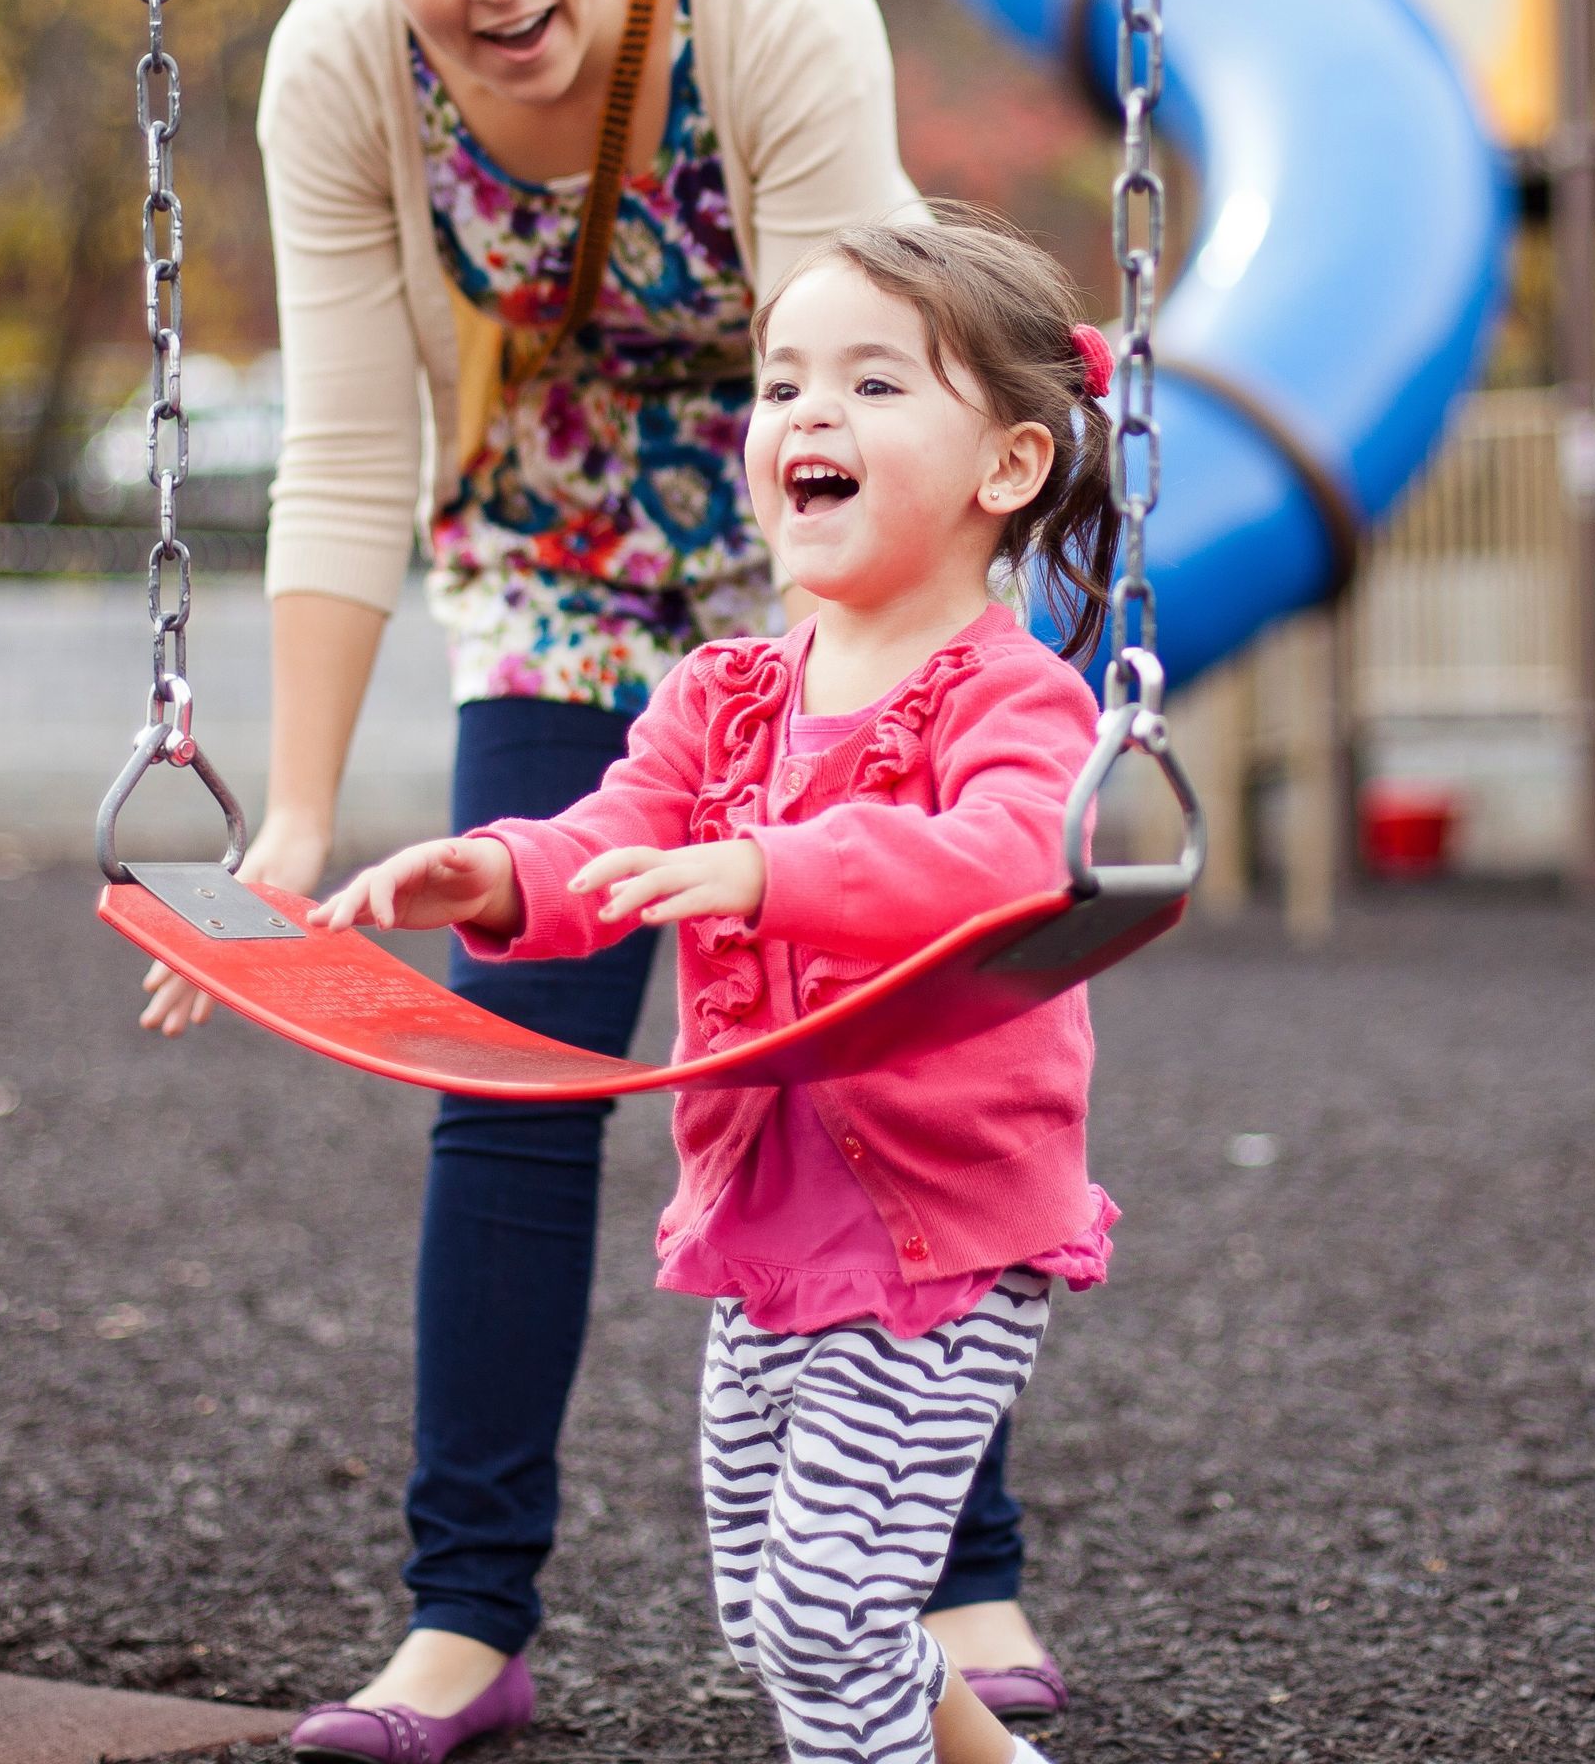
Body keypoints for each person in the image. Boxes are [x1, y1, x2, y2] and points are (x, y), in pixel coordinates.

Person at [137, 0, 1067, 1756]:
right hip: (562, 540)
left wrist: (850, 705)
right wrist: (292, 813)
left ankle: (952, 1573)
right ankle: (465, 1616)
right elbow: (355, 439)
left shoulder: (762, 1)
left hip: (819, 511)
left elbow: (862, 376)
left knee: (871, 1020)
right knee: (517, 1067)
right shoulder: (338, 74)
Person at [303, 212, 1120, 1764]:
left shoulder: (1014, 692)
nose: (808, 415)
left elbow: (1015, 860)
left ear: (1005, 469)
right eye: (783, 382)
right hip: (764, 1219)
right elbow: (614, 830)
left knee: (827, 1615)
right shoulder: (725, 692)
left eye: (875, 387)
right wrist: (496, 873)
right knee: (770, 1610)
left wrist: (771, 870)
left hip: (942, 1233)